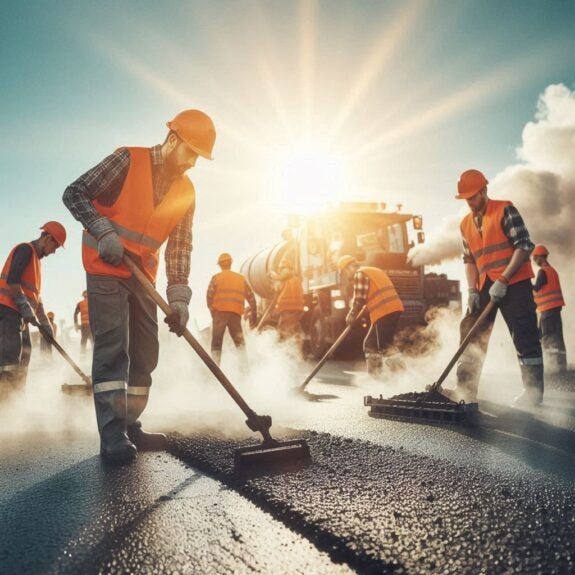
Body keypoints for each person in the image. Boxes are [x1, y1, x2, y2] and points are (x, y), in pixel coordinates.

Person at [63, 109, 216, 464]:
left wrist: (179, 298)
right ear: (173, 139)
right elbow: (75, 193)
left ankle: (131, 424)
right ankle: (113, 435)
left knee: (146, 353)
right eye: (191, 152)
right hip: (106, 266)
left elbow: (180, 246)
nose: (193, 162)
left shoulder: (186, 191)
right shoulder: (128, 160)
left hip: (142, 275)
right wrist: (102, 230)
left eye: (199, 156)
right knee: (114, 349)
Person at [446, 169, 543, 407]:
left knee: (524, 335)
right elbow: (469, 260)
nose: (470, 202)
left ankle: (532, 394)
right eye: (466, 198)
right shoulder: (465, 224)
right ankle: (465, 391)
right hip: (484, 285)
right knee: (471, 332)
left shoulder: (504, 210)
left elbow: (524, 245)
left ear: (484, 191)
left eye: (473, 196)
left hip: (515, 282)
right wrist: (472, 291)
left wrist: (504, 279)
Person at [0, 222, 66, 395]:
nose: (53, 252)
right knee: (10, 357)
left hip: (18, 315)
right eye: (55, 246)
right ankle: (5, 401)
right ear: (47, 239)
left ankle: (17, 399)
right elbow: (12, 279)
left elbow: (34, 295)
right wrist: (24, 306)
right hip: (6, 311)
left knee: (25, 354)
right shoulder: (25, 249)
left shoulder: (36, 262)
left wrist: (44, 321)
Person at [337, 255, 404, 377]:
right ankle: (377, 377)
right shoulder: (373, 270)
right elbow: (372, 298)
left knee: (383, 345)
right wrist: (360, 313)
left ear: (347, 268)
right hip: (392, 308)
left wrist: (352, 314)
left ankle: (401, 375)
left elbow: (359, 299)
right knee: (370, 344)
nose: (346, 277)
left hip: (384, 310)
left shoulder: (360, 274)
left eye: (344, 273)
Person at [206, 252, 257, 366]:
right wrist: (254, 316)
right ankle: (244, 368)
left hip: (219, 313)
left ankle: (216, 367)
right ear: (231, 263)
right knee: (239, 342)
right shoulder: (241, 279)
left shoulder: (216, 278)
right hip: (235, 314)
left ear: (220, 265)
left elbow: (209, 296)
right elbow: (251, 298)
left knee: (216, 342)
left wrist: (213, 312)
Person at [532, 244, 567, 373]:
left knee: (547, 336)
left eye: (535, 258)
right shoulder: (552, 271)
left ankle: (552, 366)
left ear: (541, 257)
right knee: (557, 335)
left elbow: (536, 288)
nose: (534, 261)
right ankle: (561, 364)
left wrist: (525, 284)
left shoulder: (543, 271)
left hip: (548, 309)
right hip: (554, 309)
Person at [269, 233, 305, 345]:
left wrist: (272, 275)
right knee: (295, 330)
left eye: (282, 268)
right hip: (297, 307)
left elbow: (277, 287)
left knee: (284, 330)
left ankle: (284, 351)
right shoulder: (296, 278)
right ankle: (296, 352)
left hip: (288, 307)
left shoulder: (285, 276)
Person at [74, 290, 92, 355]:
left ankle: (82, 357)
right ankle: (94, 357)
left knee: (83, 341)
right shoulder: (93, 302)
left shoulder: (80, 304)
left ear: (83, 296)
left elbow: (75, 314)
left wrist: (76, 324)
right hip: (91, 325)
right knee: (93, 342)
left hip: (84, 325)